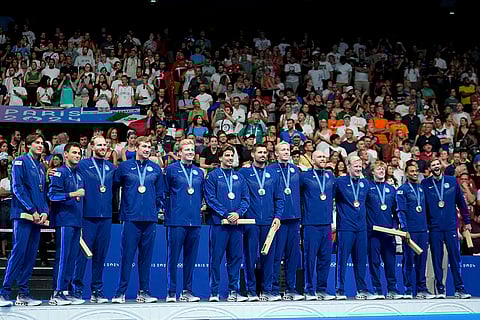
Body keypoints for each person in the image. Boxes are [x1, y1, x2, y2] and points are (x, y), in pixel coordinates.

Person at [112, 136, 163, 304]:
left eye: (149, 147)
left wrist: (155, 210)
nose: (147, 149)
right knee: (127, 256)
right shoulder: (125, 166)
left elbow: (160, 194)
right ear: (136, 148)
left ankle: (144, 292)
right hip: (131, 218)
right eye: (144, 146)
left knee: (146, 258)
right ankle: (120, 292)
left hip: (149, 219)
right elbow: (114, 186)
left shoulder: (155, 168)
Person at [0, 134, 49, 307]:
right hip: (22, 216)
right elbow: (17, 189)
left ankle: (23, 293)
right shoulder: (19, 162)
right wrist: (32, 209)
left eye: (42, 143)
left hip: (36, 218)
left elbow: (42, 193)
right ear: (28, 145)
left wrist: (44, 212)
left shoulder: (42, 167)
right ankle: (4, 293)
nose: (40, 145)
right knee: (19, 253)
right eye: (37, 142)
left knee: (30, 256)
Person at [72, 136, 116, 303]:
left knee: (100, 255)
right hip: (87, 217)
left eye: (105, 144)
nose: (102, 147)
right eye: (99, 144)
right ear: (91, 146)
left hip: (105, 217)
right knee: (82, 255)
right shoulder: (82, 165)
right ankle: (77, 290)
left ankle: (97, 290)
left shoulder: (112, 168)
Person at [239, 144, 284, 301]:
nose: (263, 155)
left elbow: (279, 198)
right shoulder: (244, 172)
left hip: (269, 222)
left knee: (269, 257)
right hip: (250, 221)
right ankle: (251, 291)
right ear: (252, 154)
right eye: (259, 152)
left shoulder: (273, 174)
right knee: (250, 257)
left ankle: (267, 290)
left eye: (265, 152)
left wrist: (277, 217)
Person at [204, 146, 250, 302]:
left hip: (237, 224)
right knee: (216, 259)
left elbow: (246, 199)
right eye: (227, 155)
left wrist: (238, 213)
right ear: (220, 158)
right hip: (219, 224)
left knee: (236, 258)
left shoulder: (239, 177)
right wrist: (226, 214)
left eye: (232, 155)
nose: (230, 158)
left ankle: (233, 291)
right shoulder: (212, 176)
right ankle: (214, 292)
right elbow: (210, 199)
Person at [421, 159, 472, 299]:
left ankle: (459, 289)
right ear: (430, 168)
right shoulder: (425, 184)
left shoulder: (452, 181)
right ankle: (440, 289)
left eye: (438, 164)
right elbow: (423, 207)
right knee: (437, 259)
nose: (436, 167)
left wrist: (466, 221)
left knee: (455, 259)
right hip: (434, 228)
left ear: (441, 166)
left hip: (450, 227)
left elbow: (461, 202)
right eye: (433, 165)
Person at [164, 139, 204, 302]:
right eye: (186, 149)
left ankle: (187, 291)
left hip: (194, 221)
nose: (190, 152)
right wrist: (169, 213)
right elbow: (165, 193)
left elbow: (201, 194)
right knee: (173, 257)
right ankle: (171, 292)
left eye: (192, 150)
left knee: (190, 258)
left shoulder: (199, 172)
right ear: (179, 152)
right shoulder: (171, 170)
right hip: (176, 221)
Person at [48, 142, 85, 306]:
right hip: (63, 221)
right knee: (63, 257)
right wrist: (72, 194)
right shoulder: (59, 173)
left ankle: (65, 290)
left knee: (71, 258)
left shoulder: (79, 174)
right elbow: (52, 196)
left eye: (79, 153)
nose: (77, 155)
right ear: (66, 155)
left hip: (76, 221)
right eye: (74, 153)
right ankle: (56, 293)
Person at [300, 150, 336, 300]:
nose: (323, 159)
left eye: (324, 157)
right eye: (319, 157)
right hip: (310, 224)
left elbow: (332, 195)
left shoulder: (330, 176)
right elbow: (299, 196)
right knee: (310, 258)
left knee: (325, 257)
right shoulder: (304, 177)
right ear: (312, 160)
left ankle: (322, 289)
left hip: (326, 224)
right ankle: (308, 289)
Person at [270, 142, 303, 301]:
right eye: (282, 150)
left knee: (293, 256)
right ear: (276, 153)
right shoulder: (270, 170)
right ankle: (274, 289)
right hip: (279, 220)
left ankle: (291, 288)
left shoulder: (295, 169)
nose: (286, 152)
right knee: (276, 256)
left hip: (294, 219)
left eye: (287, 150)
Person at [396, 161, 434, 299]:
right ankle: (408, 289)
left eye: (416, 171)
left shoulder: (422, 188)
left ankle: (421, 289)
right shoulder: (402, 190)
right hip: (410, 231)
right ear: (406, 173)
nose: (414, 173)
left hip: (423, 230)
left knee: (421, 261)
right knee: (408, 260)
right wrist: (405, 229)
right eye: (411, 171)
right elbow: (401, 211)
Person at [334, 154, 370, 299]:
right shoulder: (339, 182)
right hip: (346, 227)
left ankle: (362, 289)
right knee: (342, 259)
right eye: (355, 165)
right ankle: (340, 290)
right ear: (348, 167)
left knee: (361, 260)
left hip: (361, 227)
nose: (358, 168)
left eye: (360, 166)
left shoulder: (365, 183)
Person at [366, 161, 403, 299]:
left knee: (390, 262)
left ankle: (392, 289)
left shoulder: (391, 189)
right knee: (374, 262)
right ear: (372, 172)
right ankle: (377, 289)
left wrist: (394, 227)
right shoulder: (367, 188)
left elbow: (396, 211)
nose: (381, 171)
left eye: (383, 169)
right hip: (373, 233)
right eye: (378, 169)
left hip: (388, 234)